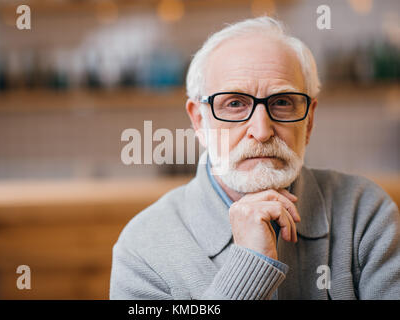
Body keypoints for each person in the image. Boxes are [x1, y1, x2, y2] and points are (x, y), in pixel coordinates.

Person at [110, 16, 400, 300]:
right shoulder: (142, 247)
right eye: (235, 104)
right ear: (199, 121)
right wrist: (249, 265)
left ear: (309, 121)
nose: (261, 132)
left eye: (282, 102)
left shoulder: (365, 214)